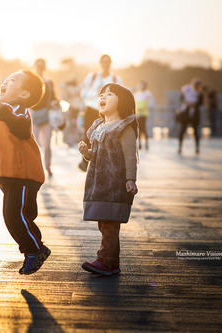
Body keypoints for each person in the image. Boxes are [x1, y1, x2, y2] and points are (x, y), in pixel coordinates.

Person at [0, 70, 50, 275]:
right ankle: (36, 247)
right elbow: (3, 144)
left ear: (25, 94)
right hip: (11, 176)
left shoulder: (18, 110)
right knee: (17, 215)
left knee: (14, 215)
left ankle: (35, 250)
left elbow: (21, 129)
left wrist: (1, 110)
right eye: (7, 78)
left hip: (23, 175)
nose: (6, 81)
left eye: (13, 80)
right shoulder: (5, 112)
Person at [79, 83, 138, 276]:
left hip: (114, 183)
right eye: (101, 94)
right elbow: (94, 154)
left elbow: (131, 156)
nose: (103, 97)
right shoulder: (98, 126)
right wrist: (86, 153)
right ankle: (111, 263)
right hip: (98, 183)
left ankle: (105, 260)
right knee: (105, 224)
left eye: (110, 94)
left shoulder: (124, 128)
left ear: (122, 101)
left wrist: (130, 179)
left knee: (110, 225)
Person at [79, 54, 122, 171]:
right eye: (103, 62)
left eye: (108, 62)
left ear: (110, 64)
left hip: (108, 112)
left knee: (106, 136)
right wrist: (96, 94)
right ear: (100, 63)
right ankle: (85, 161)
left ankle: (105, 160)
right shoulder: (91, 77)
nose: (105, 64)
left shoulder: (115, 80)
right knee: (88, 135)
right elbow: (83, 93)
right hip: (91, 109)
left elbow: (121, 97)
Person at [30, 58, 58, 177]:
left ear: (44, 68)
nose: (40, 68)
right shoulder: (30, 81)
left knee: (47, 144)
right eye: (38, 65)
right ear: (35, 66)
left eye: (42, 66)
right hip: (33, 115)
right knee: (33, 144)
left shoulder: (49, 82)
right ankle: (34, 167)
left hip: (46, 115)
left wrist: (54, 103)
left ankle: (47, 166)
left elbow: (54, 98)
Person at [177, 78, 203, 154]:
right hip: (186, 113)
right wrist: (187, 103)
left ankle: (197, 148)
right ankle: (180, 147)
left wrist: (194, 104)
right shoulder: (186, 90)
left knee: (195, 132)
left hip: (194, 114)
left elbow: (200, 103)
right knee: (182, 130)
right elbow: (181, 99)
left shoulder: (199, 93)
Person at [60, 78, 82, 146]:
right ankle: (72, 139)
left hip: (75, 108)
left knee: (73, 124)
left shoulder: (73, 88)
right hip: (73, 108)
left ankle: (72, 139)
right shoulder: (76, 88)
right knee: (73, 124)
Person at [134, 80, 155, 150]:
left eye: (142, 85)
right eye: (140, 85)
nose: (141, 86)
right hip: (137, 114)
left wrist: (143, 109)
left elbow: (150, 104)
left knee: (143, 128)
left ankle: (146, 143)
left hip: (143, 114)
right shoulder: (136, 94)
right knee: (139, 129)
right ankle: (140, 144)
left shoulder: (148, 94)